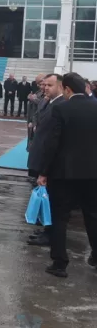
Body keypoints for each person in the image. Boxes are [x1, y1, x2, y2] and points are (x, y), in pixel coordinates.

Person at [36, 72, 97, 278]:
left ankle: (60, 262)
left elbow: (52, 144)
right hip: (92, 174)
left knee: (60, 218)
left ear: (68, 89)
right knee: (92, 216)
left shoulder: (61, 109)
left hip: (64, 174)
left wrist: (43, 171)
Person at [26, 73, 64, 247]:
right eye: (44, 85)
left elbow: (55, 139)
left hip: (50, 161)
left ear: (60, 86)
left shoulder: (62, 105)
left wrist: (45, 169)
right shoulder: (46, 101)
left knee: (52, 200)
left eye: (49, 85)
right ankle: (46, 229)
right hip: (40, 152)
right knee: (46, 197)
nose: (45, 88)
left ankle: (50, 234)